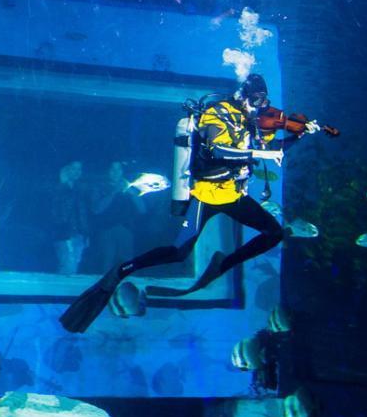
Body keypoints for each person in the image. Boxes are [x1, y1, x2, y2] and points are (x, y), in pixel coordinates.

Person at [60, 73, 319, 333]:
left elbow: (276, 148)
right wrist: (262, 152)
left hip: (233, 195)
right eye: (256, 99)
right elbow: (219, 150)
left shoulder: (248, 122)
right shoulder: (216, 113)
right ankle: (124, 269)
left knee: (274, 232)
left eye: (263, 101)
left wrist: (301, 134)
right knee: (179, 252)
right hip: (205, 195)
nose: (259, 106)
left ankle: (221, 265)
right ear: (242, 95)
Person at [89, 161, 146, 271]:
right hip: (106, 230)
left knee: (127, 261)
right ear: (108, 172)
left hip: (126, 229)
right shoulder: (99, 188)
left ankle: (126, 285)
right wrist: (114, 192)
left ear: (122, 172)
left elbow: (142, 209)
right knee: (107, 260)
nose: (115, 172)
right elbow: (96, 209)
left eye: (118, 169)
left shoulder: (130, 187)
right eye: (112, 169)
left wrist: (131, 193)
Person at [52, 161, 89, 273]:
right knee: (67, 265)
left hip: (79, 234)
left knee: (74, 266)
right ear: (66, 169)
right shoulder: (57, 188)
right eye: (74, 168)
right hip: (65, 234)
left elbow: (82, 213)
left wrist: (86, 234)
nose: (77, 172)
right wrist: (63, 185)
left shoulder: (80, 189)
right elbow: (59, 213)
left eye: (79, 169)